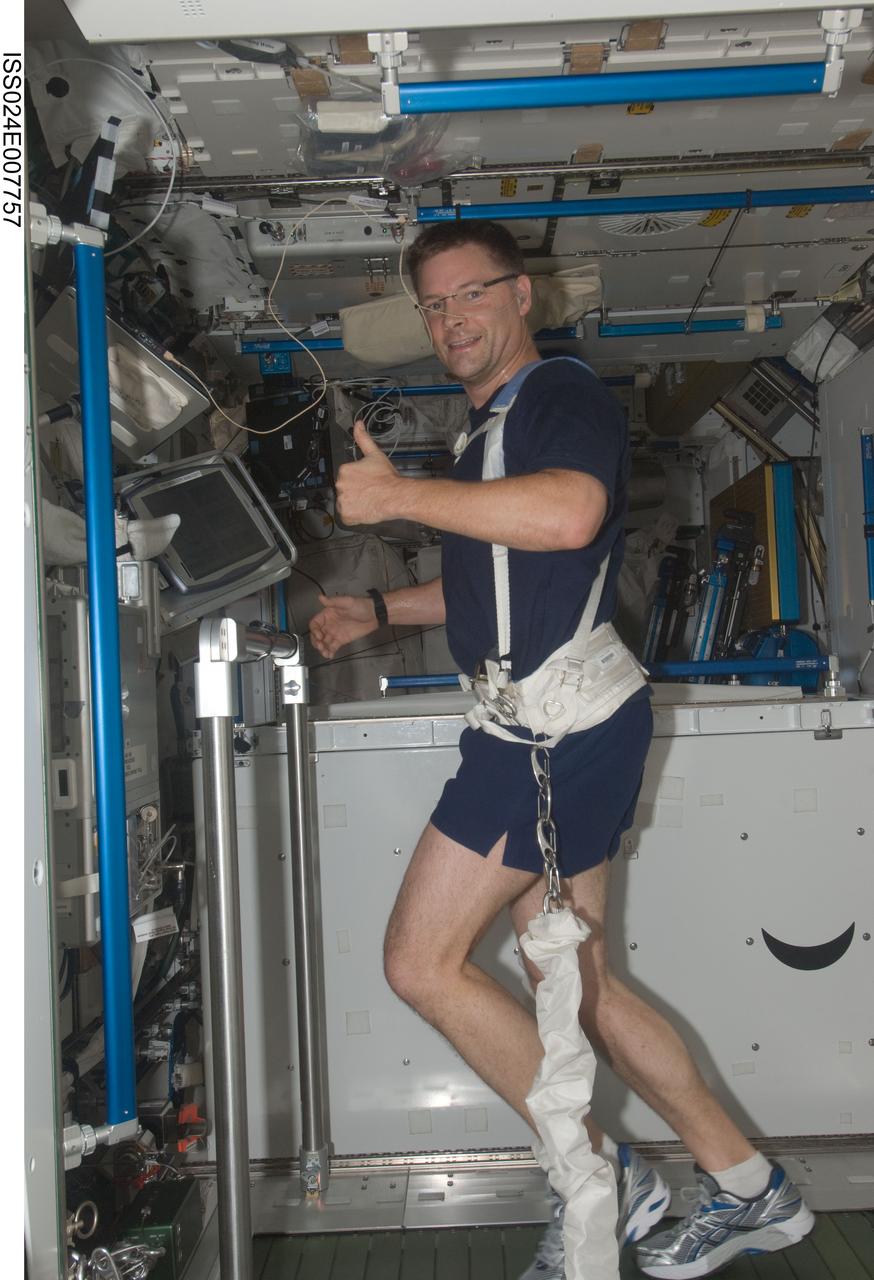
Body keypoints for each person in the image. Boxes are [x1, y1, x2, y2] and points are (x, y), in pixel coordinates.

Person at [308, 220, 813, 1278]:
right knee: (584, 983)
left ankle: (598, 1166)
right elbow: (489, 575)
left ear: (521, 294)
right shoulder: (487, 427)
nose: (451, 319)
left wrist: (398, 495)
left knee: (420, 960)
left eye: (470, 295)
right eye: (433, 305)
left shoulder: (558, 395)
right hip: (559, 720)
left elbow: (571, 513)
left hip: (549, 729)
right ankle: (749, 1188)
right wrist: (373, 608)